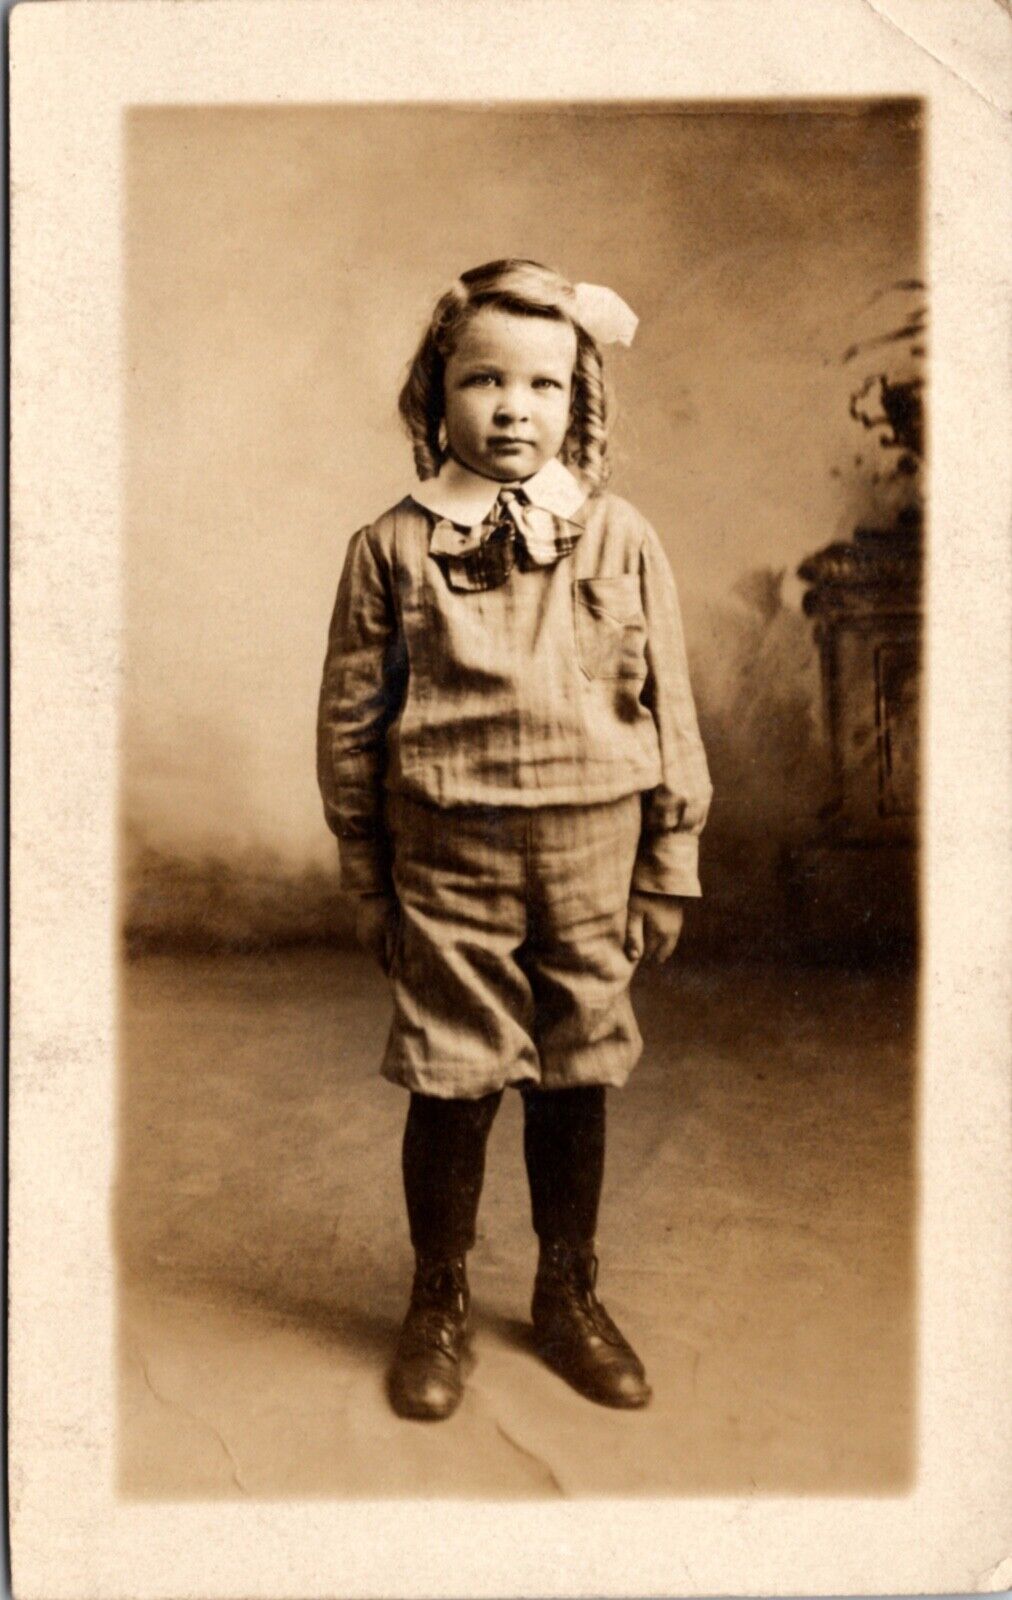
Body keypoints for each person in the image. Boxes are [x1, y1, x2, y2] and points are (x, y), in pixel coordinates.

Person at [316, 258, 712, 1421]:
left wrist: (668, 864)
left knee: (575, 1065)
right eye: (481, 380)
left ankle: (565, 1290)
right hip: (447, 853)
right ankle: (435, 1296)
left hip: (594, 847)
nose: (510, 408)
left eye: (541, 385)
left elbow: (668, 707)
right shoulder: (388, 548)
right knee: (453, 1074)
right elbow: (351, 726)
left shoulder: (619, 537)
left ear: (576, 403)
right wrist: (366, 878)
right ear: (432, 396)